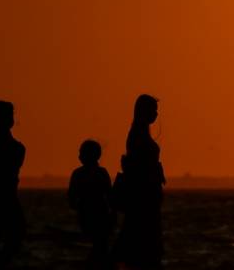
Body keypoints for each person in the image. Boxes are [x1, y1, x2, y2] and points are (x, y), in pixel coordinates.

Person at [113, 94, 166, 270]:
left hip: (147, 199)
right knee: (142, 245)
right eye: (153, 110)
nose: (156, 114)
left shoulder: (138, 134)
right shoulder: (137, 136)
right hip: (142, 199)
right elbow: (137, 168)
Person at [0, 100, 27, 266]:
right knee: (7, 234)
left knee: (13, 234)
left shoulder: (15, 147)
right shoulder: (13, 147)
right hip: (0, 198)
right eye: (9, 115)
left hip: (5, 197)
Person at [69, 140, 114, 268]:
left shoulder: (78, 174)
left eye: (82, 153)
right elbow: (110, 196)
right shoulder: (101, 173)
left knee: (100, 246)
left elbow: (71, 199)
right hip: (97, 214)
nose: (79, 156)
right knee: (101, 245)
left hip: (92, 215)